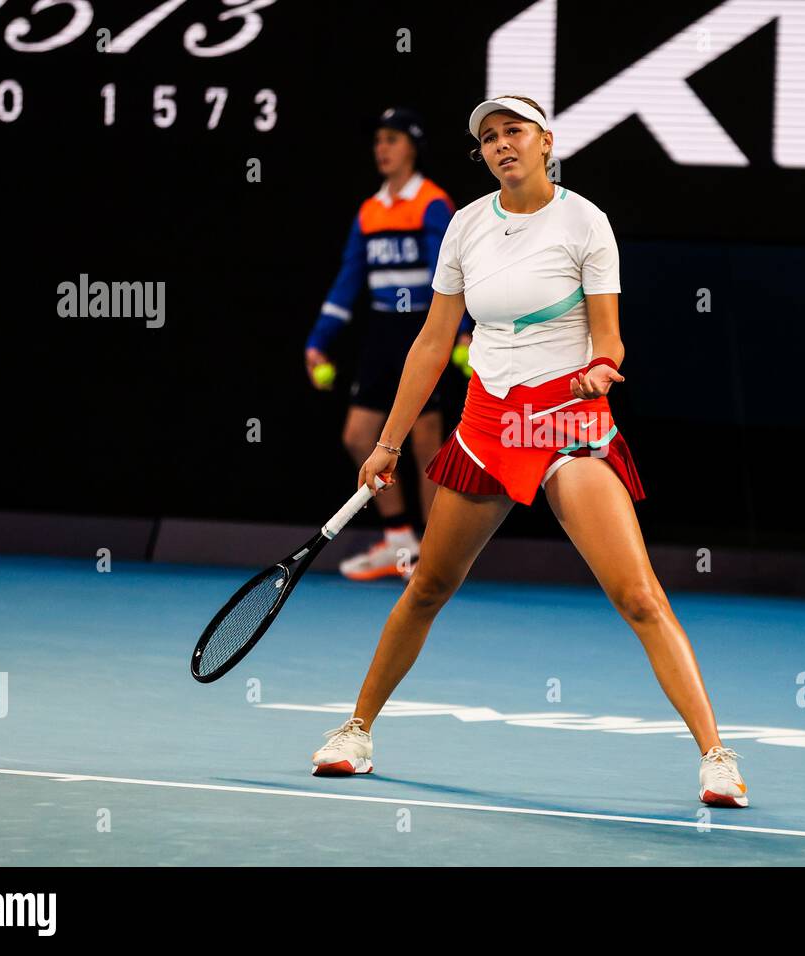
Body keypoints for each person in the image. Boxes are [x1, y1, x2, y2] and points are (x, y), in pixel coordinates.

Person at [309, 95, 749, 808]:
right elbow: (431, 342)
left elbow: (609, 335)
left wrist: (602, 366)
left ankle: (717, 756)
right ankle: (356, 730)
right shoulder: (465, 227)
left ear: (546, 141)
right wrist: (389, 441)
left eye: (514, 131)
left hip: (566, 423)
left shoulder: (586, 222)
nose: (501, 144)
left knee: (638, 595)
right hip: (487, 426)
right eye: (488, 137)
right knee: (427, 587)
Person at [305, 106, 473, 582]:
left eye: (392, 140)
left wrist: (459, 329)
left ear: (412, 147)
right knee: (359, 437)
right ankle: (401, 542)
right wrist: (320, 340)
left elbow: (451, 272)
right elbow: (348, 278)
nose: (382, 148)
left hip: (424, 328)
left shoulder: (433, 203)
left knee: (424, 442)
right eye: (378, 140)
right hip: (381, 332)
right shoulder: (370, 210)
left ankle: (438, 557)